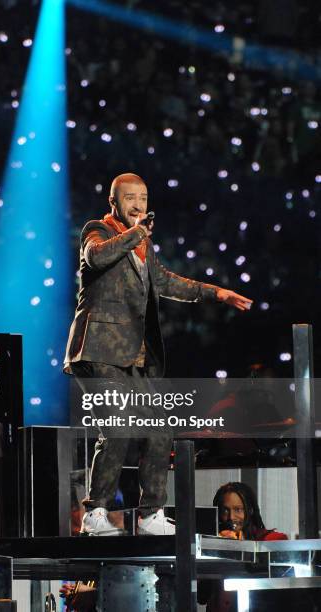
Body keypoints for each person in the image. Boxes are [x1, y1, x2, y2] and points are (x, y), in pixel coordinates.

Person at [64, 173, 252, 536]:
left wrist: (216, 293)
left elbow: (166, 282)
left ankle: (151, 513)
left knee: (160, 428)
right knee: (117, 427)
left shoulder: (142, 247)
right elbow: (96, 257)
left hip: (135, 355)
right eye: (130, 198)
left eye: (144, 198)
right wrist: (137, 233)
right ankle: (95, 512)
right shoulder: (98, 230)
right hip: (98, 348)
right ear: (113, 203)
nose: (138, 204)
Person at [198, 481, 287, 611]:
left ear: (250, 511)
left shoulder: (272, 540)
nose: (231, 517)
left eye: (238, 510)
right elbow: (201, 596)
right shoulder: (211, 541)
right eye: (225, 510)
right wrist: (216, 548)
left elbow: (278, 594)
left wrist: (239, 547)